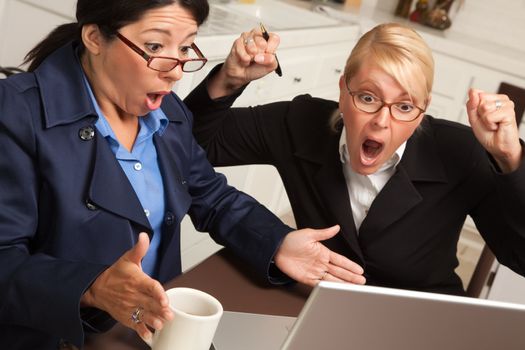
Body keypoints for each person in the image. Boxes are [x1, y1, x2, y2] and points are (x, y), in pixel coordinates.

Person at [0, 1, 366, 348]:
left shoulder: (168, 111)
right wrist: (93, 288)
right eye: (155, 45)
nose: (175, 70)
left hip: (155, 327)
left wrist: (278, 241)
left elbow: (212, 196)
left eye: (187, 46)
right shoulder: (15, 113)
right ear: (95, 37)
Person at [187, 22, 525, 296]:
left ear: (422, 111)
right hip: (316, 307)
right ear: (343, 90)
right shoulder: (299, 123)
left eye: (404, 106)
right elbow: (189, 146)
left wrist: (511, 159)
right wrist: (229, 80)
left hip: (424, 322)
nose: (381, 120)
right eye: (367, 97)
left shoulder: (462, 151)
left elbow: (520, 258)